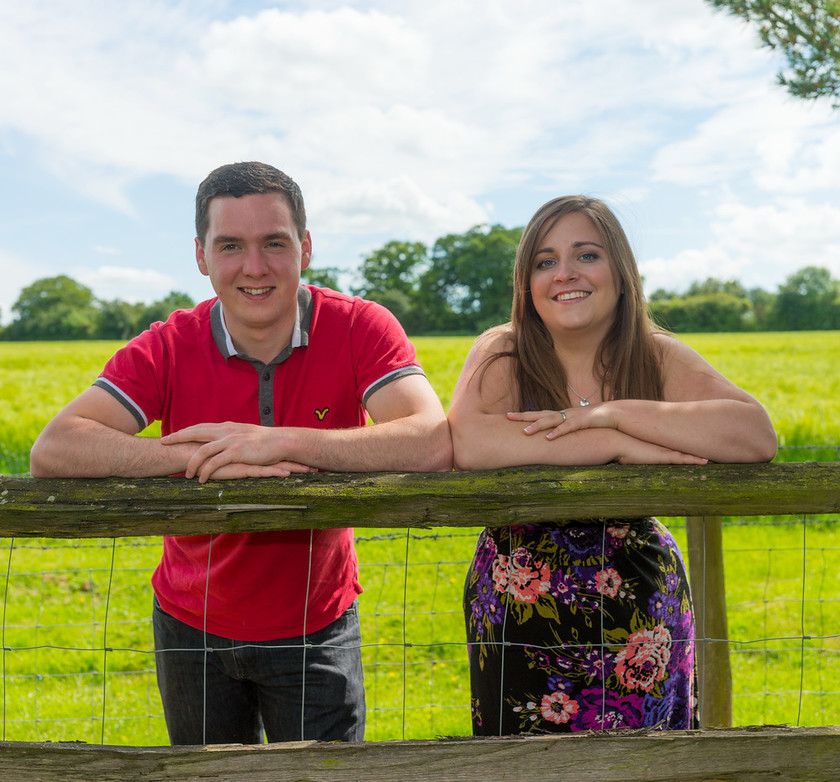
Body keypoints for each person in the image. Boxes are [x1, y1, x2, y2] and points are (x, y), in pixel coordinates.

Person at [30, 161, 452, 746]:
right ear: (201, 256)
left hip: (317, 624)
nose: (254, 267)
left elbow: (431, 438)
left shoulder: (359, 327)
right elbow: (54, 449)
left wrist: (283, 441)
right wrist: (197, 455)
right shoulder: (168, 344)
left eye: (274, 243)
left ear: (305, 247)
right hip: (190, 624)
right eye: (230, 245)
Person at [447, 195, 777, 736]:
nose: (565, 275)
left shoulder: (656, 355)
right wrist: (614, 445)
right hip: (519, 604)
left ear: (620, 273)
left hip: (641, 604)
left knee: (650, 763)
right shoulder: (504, 351)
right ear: (526, 282)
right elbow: (467, 443)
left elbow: (754, 433)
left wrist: (615, 414)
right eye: (545, 261)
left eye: (587, 255)